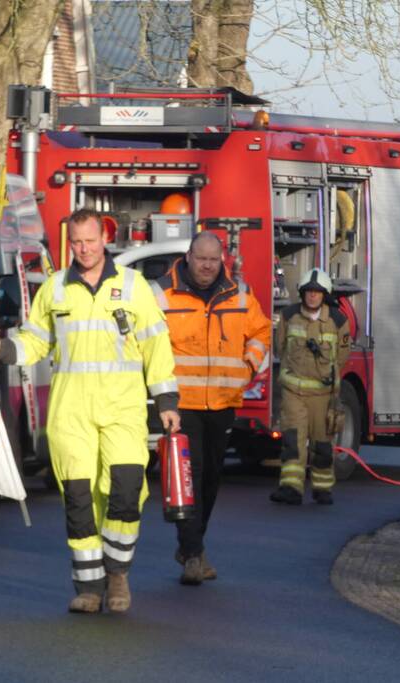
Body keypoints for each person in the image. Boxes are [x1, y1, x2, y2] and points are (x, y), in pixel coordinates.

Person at [0, 208, 180, 613]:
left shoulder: (134, 286)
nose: (84, 249)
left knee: (125, 493)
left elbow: (157, 346)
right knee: (79, 496)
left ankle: (118, 574)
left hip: (122, 408)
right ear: (68, 242)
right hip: (71, 412)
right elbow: (35, 343)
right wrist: (2, 349)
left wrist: (167, 402)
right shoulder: (53, 290)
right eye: (76, 242)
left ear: (103, 239)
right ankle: (89, 587)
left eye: (90, 241)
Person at [152, 231, 271, 585]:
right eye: (201, 258)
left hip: (222, 402)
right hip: (179, 404)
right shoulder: (161, 292)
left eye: (213, 260)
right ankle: (191, 553)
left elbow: (262, 334)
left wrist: (248, 366)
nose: (206, 266)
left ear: (223, 261)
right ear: (188, 256)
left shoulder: (240, 295)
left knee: (211, 480)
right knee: (190, 477)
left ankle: (194, 545)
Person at [270, 268, 350, 506]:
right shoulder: (288, 316)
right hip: (293, 392)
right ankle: (291, 488)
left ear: (325, 295)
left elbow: (343, 355)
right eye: (308, 292)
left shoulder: (338, 321)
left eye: (317, 292)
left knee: (322, 444)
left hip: (323, 395)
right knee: (293, 441)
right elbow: (280, 347)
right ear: (302, 293)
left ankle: (322, 488)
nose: (312, 296)